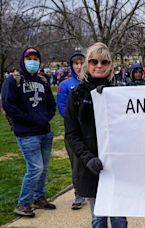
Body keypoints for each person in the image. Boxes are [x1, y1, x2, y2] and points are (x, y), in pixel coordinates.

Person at [64, 42, 127, 228]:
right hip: (90, 167)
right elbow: (71, 133)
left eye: (104, 62)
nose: (99, 66)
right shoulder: (76, 95)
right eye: (94, 61)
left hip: (117, 166)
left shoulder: (122, 93)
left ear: (110, 66)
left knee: (119, 218)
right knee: (98, 217)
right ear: (87, 64)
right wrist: (88, 158)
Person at [1, 47, 56, 217]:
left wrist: (45, 117)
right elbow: (9, 106)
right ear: (23, 60)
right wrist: (31, 119)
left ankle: (39, 197)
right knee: (35, 168)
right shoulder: (13, 80)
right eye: (29, 58)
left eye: (36, 58)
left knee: (44, 168)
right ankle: (23, 203)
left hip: (44, 131)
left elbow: (51, 104)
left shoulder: (43, 80)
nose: (33, 61)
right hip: (26, 133)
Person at [56, 50, 86, 210]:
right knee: (76, 163)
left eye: (82, 62)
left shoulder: (90, 81)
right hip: (74, 131)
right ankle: (79, 194)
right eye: (76, 63)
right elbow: (62, 108)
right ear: (71, 65)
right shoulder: (65, 85)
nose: (79, 66)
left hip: (91, 131)